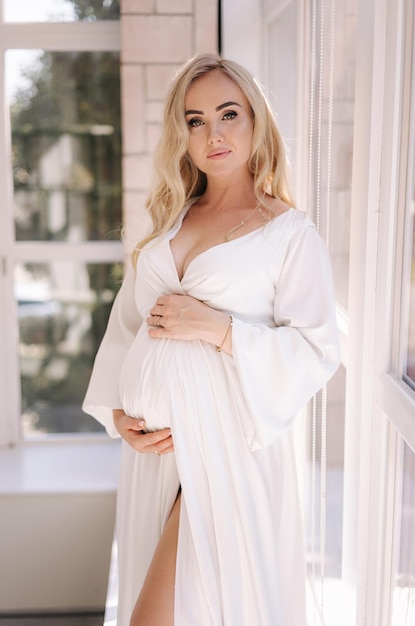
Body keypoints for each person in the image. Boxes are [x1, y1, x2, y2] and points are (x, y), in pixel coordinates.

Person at [82, 53, 340, 626]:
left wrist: (217, 328)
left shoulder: (288, 233)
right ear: (182, 133)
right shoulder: (170, 221)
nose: (213, 134)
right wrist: (120, 413)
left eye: (229, 114)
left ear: (256, 120)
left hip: (225, 452)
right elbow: (126, 328)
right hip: (158, 454)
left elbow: (318, 350)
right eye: (196, 120)